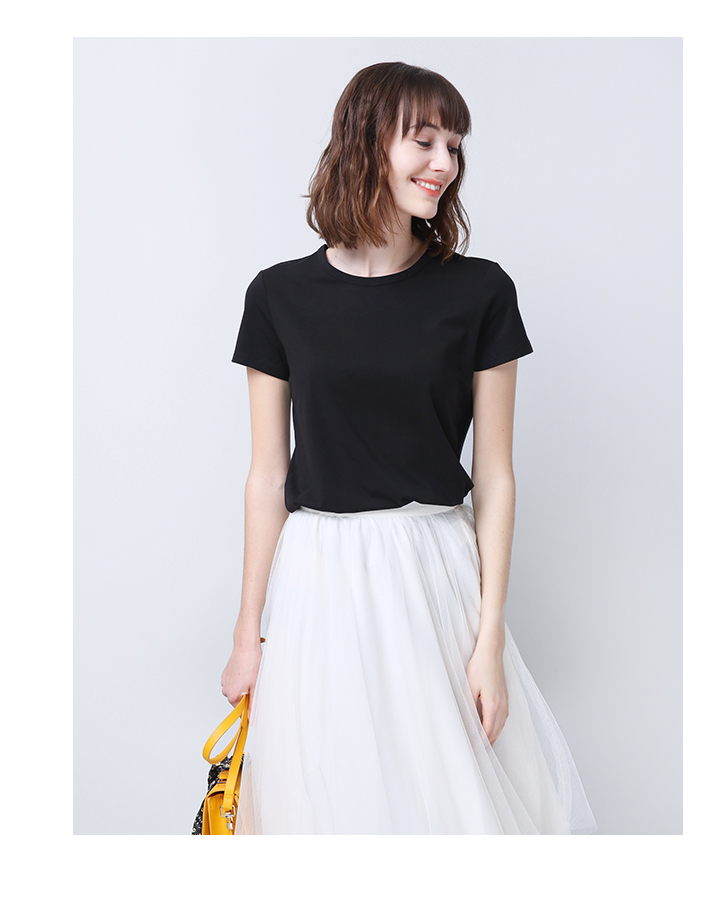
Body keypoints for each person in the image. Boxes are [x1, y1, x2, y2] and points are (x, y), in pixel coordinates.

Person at [221, 61, 598, 835]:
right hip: (317, 580)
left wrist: (489, 639)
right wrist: (247, 631)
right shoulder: (278, 296)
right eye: (424, 141)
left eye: (454, 145)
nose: (445, 163)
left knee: (449, 810)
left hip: (434, 573)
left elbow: (495, 477)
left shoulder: (480, 292)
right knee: (326, 805)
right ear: (366, 141)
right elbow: (267, 478)